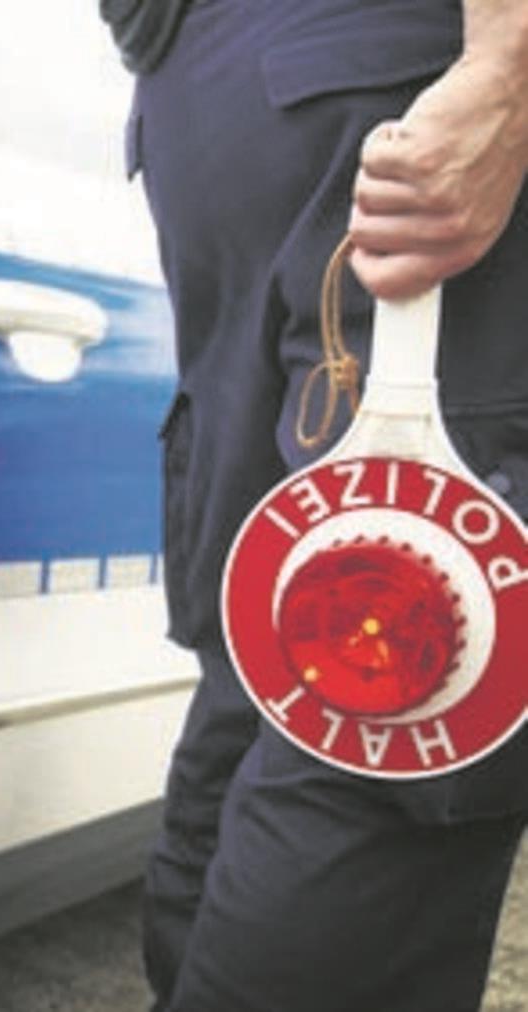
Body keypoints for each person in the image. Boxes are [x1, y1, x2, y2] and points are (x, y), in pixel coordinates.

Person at [101, 1, 528, 1009]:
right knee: (291, 671)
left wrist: (508, 62)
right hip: (294, 95)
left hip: (335, 94)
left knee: (369, 682)